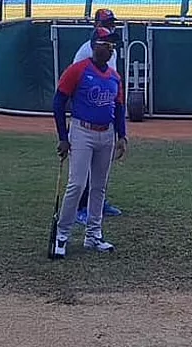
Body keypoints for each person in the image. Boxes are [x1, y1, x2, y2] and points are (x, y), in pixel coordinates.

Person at [50, 26, 128, 259]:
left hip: (107, 134)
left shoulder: (115, 76)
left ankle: (93, 235)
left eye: (112, 45)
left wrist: (122, 136)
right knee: (77, 184)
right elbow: (58, 102)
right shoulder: (78, 70)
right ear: (94, 46)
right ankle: (62, 235)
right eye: (106, 44)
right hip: (82, 131)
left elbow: (119, 107)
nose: (110, 49)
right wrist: (63, 138)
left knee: (99, 186)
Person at [72, 8, 124, 223]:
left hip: (107, 114)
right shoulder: (85, 51)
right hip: (86, 118)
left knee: (101, 168)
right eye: (106, 22)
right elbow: (74, 81)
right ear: (95, 25)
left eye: (112, 22)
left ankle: (97, 203)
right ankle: (80, 208)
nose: (110, 25)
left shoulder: (113, 50)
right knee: (82, 171)